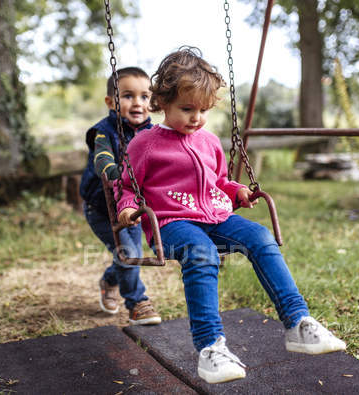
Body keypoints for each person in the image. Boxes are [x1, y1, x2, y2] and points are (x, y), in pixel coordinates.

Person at [117, 47, 346, 384]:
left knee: (260, 237)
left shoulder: (208, 141)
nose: (196, 118)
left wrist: (236, 190)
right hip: (170, 222)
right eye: (187, 109)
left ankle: (298, 323)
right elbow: (127, 185)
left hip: (215, 215)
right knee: (202, 254)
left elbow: (218, 181)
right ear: (162, 102)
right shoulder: (146, 143)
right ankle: (211, 347)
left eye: (203, 110)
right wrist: (126, 207)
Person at [79, 66, 161, 325]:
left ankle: (109, 280)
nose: (137, 103)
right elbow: (102, 160)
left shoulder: (153, 134)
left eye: (144, 96)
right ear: (111, 102)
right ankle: (137, 302)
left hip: (132, 208)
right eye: (128, 96)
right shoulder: (103, 132)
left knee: (129, 252)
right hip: (102, 208)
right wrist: (118, 174)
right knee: (129, 251)